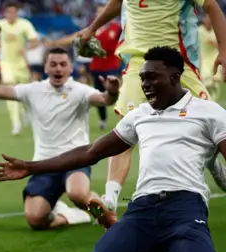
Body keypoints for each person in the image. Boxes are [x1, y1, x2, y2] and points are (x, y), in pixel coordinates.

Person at [0, 46, 225, 252]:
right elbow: (91, 152)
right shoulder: (140, 115)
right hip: (142, 213)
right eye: (143, 78)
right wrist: (31, 167)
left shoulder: (209, 112)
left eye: (152, 77)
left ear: (175, 77)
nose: (145, 84)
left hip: (185, 211)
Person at [77, 0, 226, 225]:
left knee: (209, 125)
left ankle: (215, 167)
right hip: (139, 63)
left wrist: (223, 49)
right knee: (126, 129)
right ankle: (110, 199)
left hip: (178, 65)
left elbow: (212, 7)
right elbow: (115, 4)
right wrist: (91, 28)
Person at [0, 47, 116, 231]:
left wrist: (112, 92)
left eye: (63, 64)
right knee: (35, 219)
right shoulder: (33, 90)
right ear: (45, 67)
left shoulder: (80, 91)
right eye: (53, 64)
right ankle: (68, 216)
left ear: (70, 68)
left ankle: (110, 220)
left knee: (77, 193)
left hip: (75, 160)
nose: (58, 69)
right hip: (44, 163)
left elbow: (104, 99)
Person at [46, 1, 122, 130]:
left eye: (103, 11)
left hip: (112, 65)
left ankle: (124, 121)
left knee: (117, 93)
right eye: (99, 12)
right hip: (96, 67)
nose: (101, 13)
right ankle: (103, 119)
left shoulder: (117, 28)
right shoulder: (92, 29)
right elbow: (75, 37)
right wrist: (55, 43)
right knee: (100, 94)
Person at [0, 1, 39, 136]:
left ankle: (25, 111)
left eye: (14, 12)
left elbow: (34, 41)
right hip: (6, 63)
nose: (12, 15)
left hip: (21, 64)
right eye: (9, 12)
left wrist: (26, 48)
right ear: (5, 13)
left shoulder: (24, 24)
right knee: (10, 89)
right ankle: (16, 123)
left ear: (17, 12)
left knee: (23, 92)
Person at [199, 14, 221, 100]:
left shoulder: (216, 31)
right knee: (206, 82)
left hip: (215, 59)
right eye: (208, 18)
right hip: (204, 59)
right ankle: (206, 100)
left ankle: (214, 102)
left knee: (215, 84)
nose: (209, 20)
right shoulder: (200, 30)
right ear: (204, 19)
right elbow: (210, 42)